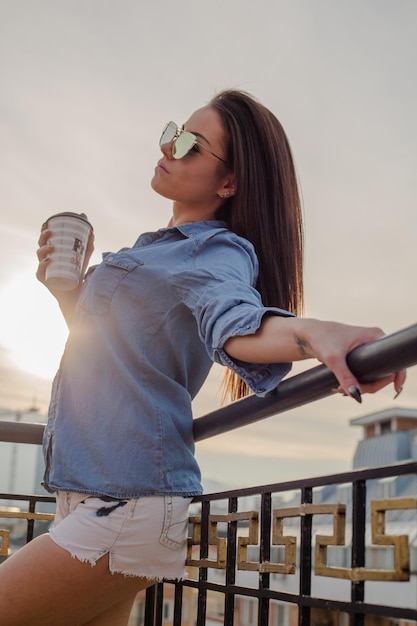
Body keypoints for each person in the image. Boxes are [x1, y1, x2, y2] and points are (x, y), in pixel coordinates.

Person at [0, 90, 405, 626]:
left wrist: (315, 334)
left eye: (191, 144)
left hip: (125, 505)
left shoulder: (215, 251)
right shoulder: (160, 249)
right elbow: (113, 358)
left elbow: (235, 321)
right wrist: (68, 294)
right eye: (172, 132)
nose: (170, 147)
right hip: (95, 496)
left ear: (228, 183)